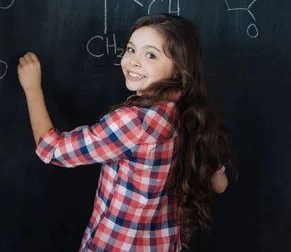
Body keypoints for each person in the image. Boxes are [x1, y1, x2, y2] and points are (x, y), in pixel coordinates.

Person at [17, 13, 231, 251]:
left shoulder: (134, 122)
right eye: (131, 50)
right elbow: (219, 183)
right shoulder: (193, 114)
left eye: (150, 55)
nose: (134, 61)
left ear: (178, 69)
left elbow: (52, 149)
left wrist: (31, 87)